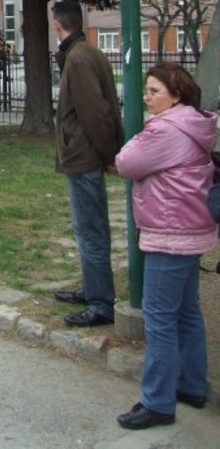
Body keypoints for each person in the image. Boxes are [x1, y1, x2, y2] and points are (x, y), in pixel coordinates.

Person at [114, 64, 218, 430]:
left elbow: (126, 162)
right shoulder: (196, 123)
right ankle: (191, 385)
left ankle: (157, 401)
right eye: (146, 90)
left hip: (169, 233)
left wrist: (135, 139)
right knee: (187, 312)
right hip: (191, 230)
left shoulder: (165, 129)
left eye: (154, 91)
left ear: (176, 94)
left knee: (159, 317)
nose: (147, 96)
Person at [51, 0, 123, 327]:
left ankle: (100, 303)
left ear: (57, 25)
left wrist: (109, 155)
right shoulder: (84, 52)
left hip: (83, 155)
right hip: (85, 152)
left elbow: (95, 113)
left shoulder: (79, 59)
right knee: (89, 227)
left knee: (90, 229)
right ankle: (93, 287)